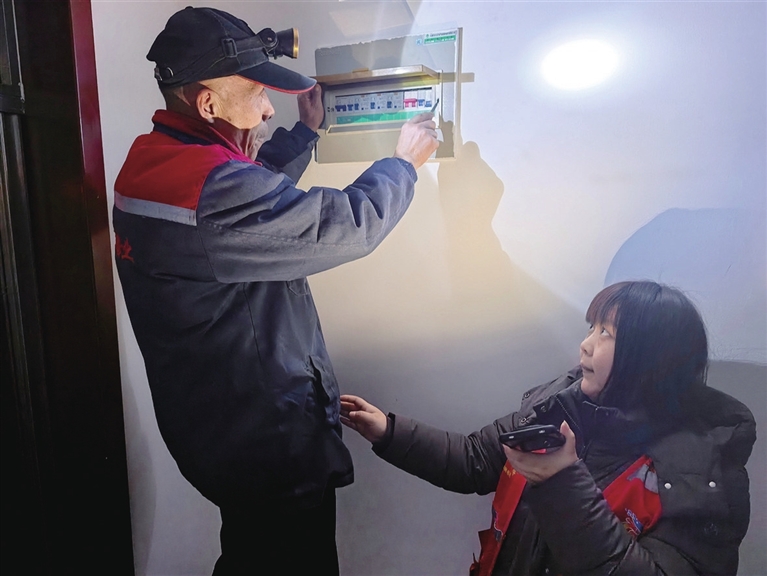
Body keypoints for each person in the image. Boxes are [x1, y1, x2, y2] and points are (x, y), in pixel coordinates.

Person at [112, 6, 438, 575]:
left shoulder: (155, 162)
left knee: (250, 554)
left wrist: (305, 132)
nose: (267, 108)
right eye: (258, 93)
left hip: (219, 429)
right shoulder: (213, 191)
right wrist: (402, 164)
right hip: (268, 444)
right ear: (208, 104)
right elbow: (346, 225)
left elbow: (246, 208)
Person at [341, 281, 755, 575]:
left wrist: (562, 481)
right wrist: (387, 431)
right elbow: (473, 459)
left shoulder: (700, 475)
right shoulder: (559, 407)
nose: (586, 344)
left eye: (606, 333)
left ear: (651, 359)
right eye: (591, 328)